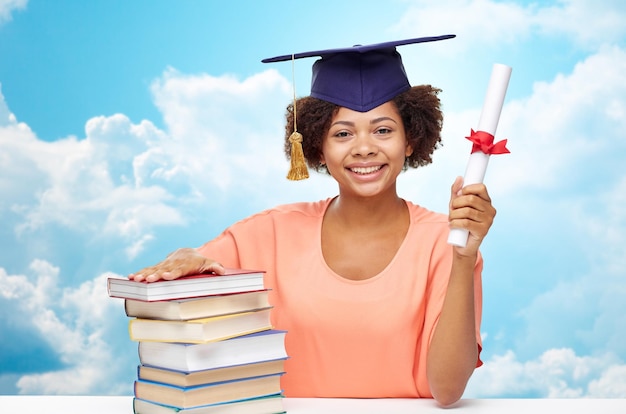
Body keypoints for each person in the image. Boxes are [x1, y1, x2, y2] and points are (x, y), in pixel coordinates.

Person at [129, 35, 497, 407]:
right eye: (342, 133)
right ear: (317, 146)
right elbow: (200, 269)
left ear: (411, 140)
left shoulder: (446, 243)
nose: (364, 147)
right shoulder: (270, 233)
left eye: (383, 130)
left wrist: (464, 259)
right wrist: (187, 259)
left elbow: (448, 391)